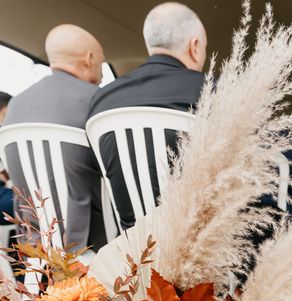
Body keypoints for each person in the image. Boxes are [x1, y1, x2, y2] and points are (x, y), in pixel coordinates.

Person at [87, 2, 207, 230]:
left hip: (129, 253)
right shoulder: (214, 91)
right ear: (195, 47)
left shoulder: (103, 99)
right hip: (203, 248)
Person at [3, 24, 106, 251]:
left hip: (34, 244)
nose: (101, 75)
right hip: (92, 243)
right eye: (102, 64)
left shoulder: (16, 104)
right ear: (89, 58)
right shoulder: (99, 99)